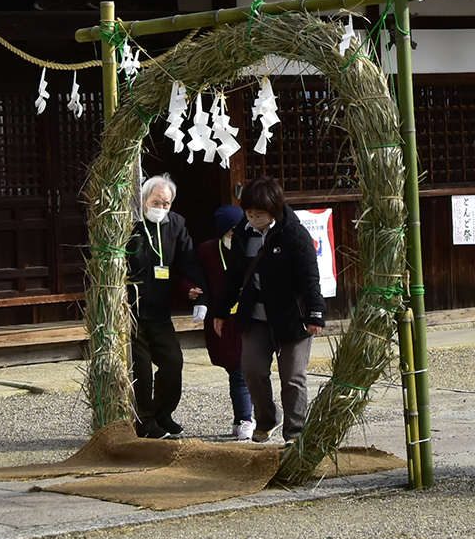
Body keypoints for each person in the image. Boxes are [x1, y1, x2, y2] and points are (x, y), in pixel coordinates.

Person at [214, 177, 326, 444]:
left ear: (274, 209)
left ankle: (295, 433)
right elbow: (234, 277)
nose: (253, 219)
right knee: (251, 369)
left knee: (293, 377)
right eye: (249, 213)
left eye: (259, 214)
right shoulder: (244, 232)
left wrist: (315, 313)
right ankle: (267, 418)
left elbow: (309, 277)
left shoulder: (294, 234)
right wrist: (220, 310)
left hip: (292, 317)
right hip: (256, 316)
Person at [127, 174, 202, 439]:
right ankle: (144, 422)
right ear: (144, 200)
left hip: (159, 311)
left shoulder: (176, 224)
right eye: (156, 202)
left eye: (166, 203)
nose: (161, 208)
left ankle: (162, 414)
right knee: (142, 369)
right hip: (131, 312)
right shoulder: (129, 223)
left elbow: (188, 260)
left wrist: (198, 292)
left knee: (173, 362)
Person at [195, 204, 255, 441]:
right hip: (223, 320)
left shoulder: (252, 246)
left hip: (250, 318)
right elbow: (197, 279)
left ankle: (249, 417)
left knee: (249, 371)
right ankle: (245, 418)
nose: (235, 235)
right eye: (231, 231)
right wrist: (195, 296)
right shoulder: (207, 252)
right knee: (237, 370)